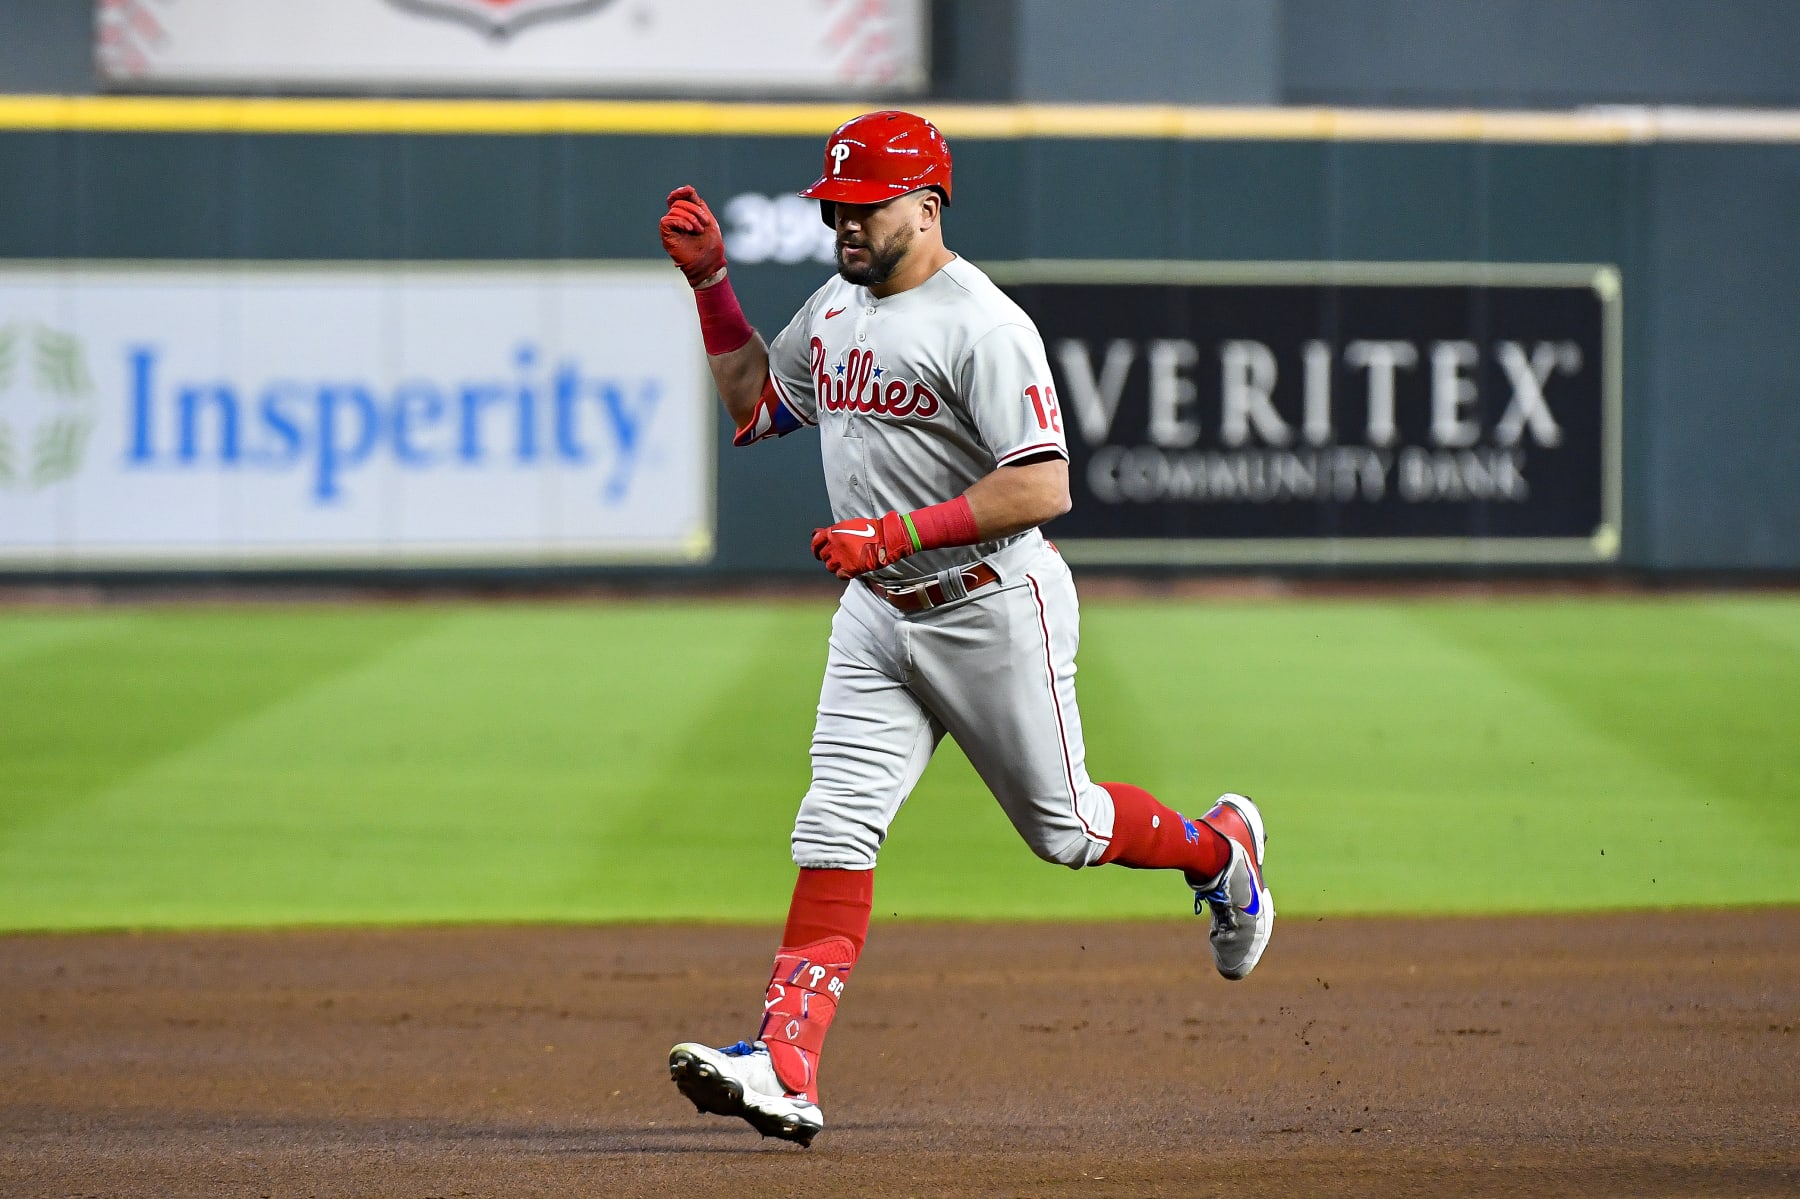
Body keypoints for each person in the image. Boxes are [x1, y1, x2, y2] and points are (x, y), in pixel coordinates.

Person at [656, 110, 1273, 1147]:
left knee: (1066, 828)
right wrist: (714, 286)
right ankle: (784, 1057)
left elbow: (1044, 482)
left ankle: (1222, 853)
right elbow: (760, 402)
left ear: (927, 207)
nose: (842, 221)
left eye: (863, 205)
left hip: (991, 604)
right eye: (833, 205)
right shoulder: (837, 306)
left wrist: (895, 529)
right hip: (878, 613)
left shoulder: (982, 323)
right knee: (834, 821)